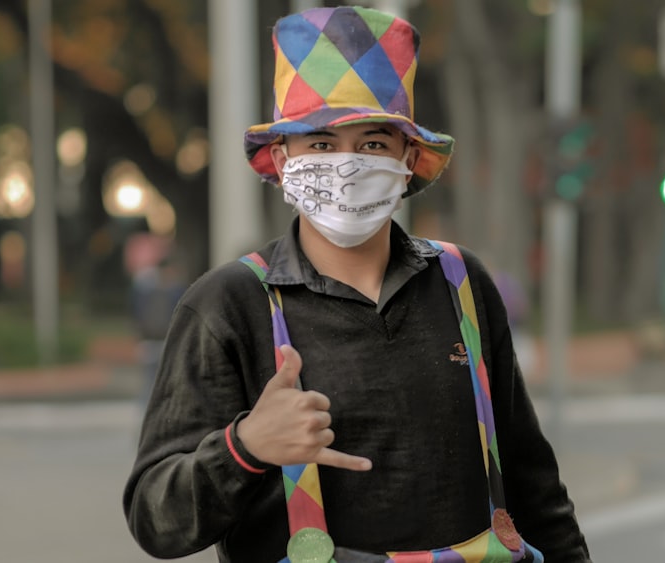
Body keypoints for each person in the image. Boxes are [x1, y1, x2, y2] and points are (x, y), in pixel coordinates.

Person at [124, 6, 590, 562]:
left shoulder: (462, 285)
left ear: (408, 158)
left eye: (372, 144)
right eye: (320, 144)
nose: (345, 165)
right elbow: (156, 519)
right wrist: (245, 448)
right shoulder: (228, 305)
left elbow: (536, 491)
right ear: (282, 159)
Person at [130, 250, 187, 406]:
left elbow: (138, 316)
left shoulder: (146, 291)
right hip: (160, 341)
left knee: (152, 383)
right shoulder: (176, 292)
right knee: (157, 382)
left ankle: (149, 418)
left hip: (155, 341)